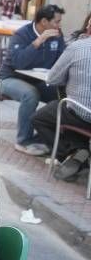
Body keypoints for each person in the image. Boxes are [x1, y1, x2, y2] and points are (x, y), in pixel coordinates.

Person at [0, 4, 66, 155]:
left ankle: (45, 138)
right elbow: (18, 63)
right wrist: (39, 41)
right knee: (30, 94)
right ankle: (23, 141)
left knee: (63, 97)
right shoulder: (22, 35)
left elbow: (63, 59)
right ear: (44, 21)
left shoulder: (58, 35)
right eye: (56, 21)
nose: (59, 25)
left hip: (39, 79)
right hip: (10, 78)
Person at [32, 27, 91, 180]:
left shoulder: (77, 47)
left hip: (80, 113)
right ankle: (80, 151)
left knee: (40, 118)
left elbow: (52, 79)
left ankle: (72, 153)